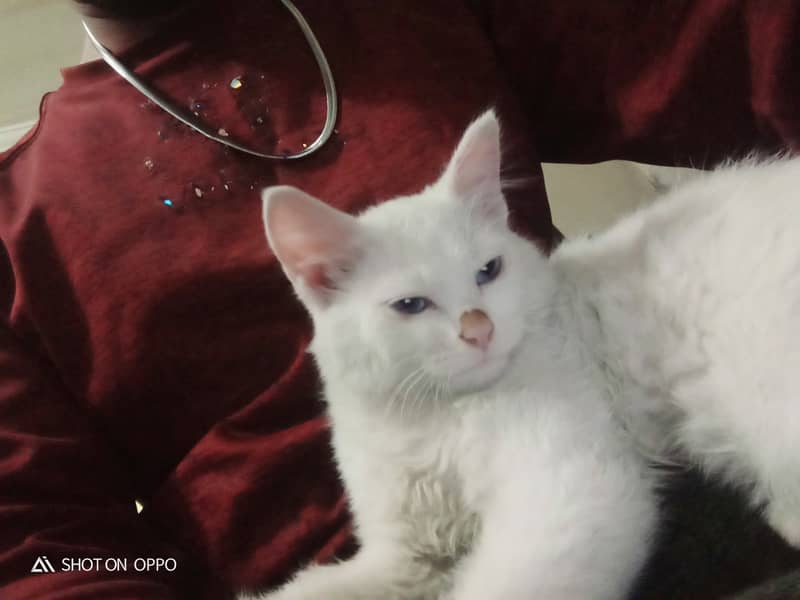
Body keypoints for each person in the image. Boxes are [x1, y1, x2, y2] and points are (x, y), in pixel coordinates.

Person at [0, 1, 798, 598]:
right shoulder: (15, 227)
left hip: (648, 480)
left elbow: (716, 41)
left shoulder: (410, 14)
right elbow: (42, 553)